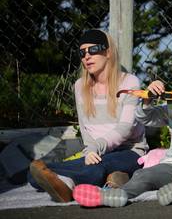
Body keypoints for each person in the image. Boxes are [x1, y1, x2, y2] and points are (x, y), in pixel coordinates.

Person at [72, 58, 172, 207]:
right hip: (170, 163)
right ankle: (116, 196)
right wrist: (148, 99)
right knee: (143, 175)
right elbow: (146, 118)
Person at [28, 29, 148, 202]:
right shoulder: (80, 86)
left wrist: (95, 149)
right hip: (95, 152)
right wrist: (90, 150)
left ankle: (68, 184)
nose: (86, 56)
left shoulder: (130, 82)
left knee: (95, 168)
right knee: (33, 174)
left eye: (93, 50)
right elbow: (85, 129)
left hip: (130, 151)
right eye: (82, 52)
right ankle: (94, 180)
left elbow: (125, 129)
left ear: (107, 52)